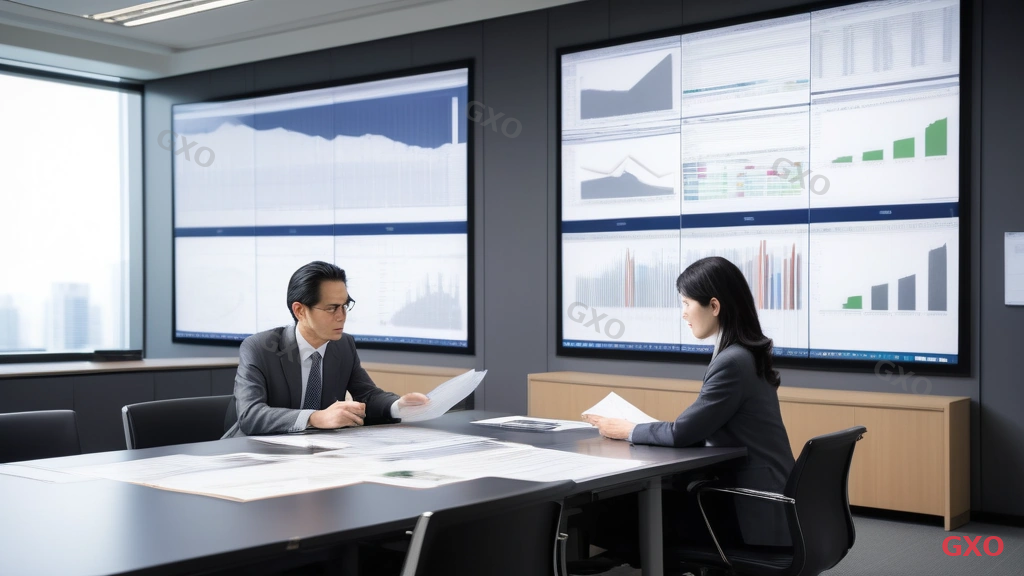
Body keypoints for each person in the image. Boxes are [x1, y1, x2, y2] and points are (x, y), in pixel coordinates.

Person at [584, 256, 796, 550]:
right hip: (766, 498)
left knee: (606, 514)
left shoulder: (733, 362)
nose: (683, 313)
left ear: (714, 306)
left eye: (686, 304)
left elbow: (683, 432)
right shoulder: (745, 354)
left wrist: (628, 429)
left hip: (750, 509)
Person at [223, 261, 429, 438]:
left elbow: (367, 395)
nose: (341, 316)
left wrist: (398, 405)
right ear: (300, 310)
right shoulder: (260, 348)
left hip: (313, 453)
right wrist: (315, 417)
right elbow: (250, 416)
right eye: (331, 308)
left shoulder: (343, 345)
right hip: (251, 453)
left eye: (345, 306)